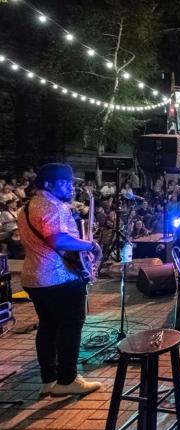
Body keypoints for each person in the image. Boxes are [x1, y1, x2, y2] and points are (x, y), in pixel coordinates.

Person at [17, 163, 103, 396]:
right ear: (48, 184)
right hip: (58, 277)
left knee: (48, 326)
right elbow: (58, 240)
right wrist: (90, 245)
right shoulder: (53, 206)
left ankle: (49, 379)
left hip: (33, 277)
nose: (70, 187)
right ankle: (67, 380)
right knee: (70, 326)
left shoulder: (27, 208)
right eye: (64, 183)